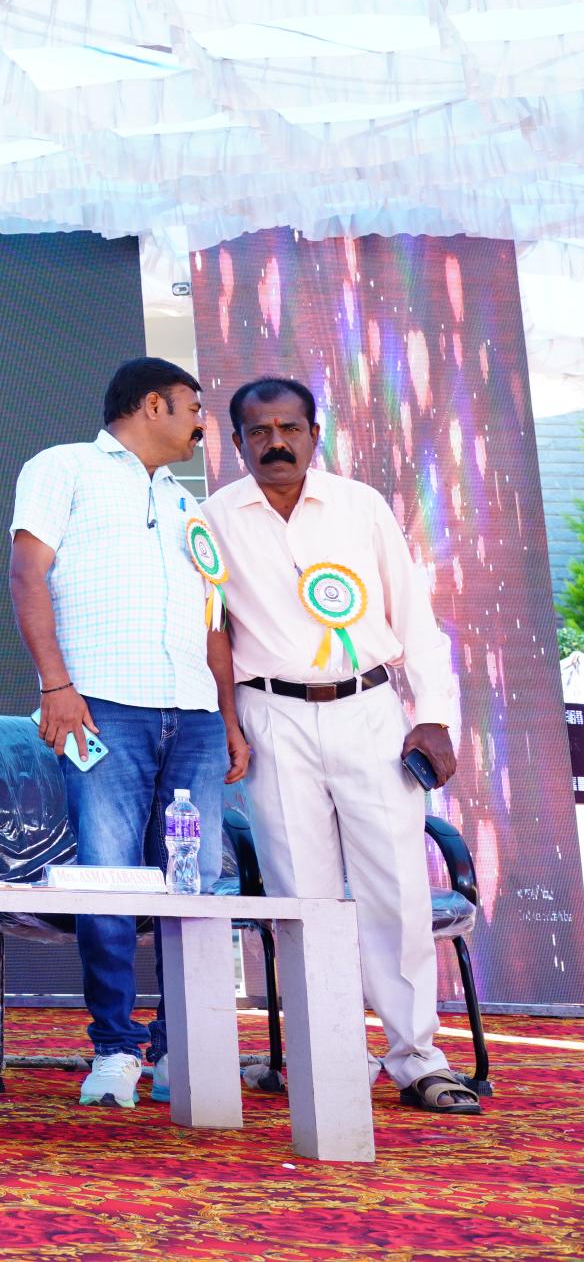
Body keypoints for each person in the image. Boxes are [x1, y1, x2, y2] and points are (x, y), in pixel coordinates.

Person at [211, 377, 480, 1115]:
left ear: (314, 433)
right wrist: (229, 722)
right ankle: (329, 1056)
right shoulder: (213, 520)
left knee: (395, 887)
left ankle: (417, 1059)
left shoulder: (360, 506)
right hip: (272, 717)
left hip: (369, 710)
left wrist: (435, 715)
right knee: (303, 896)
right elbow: (212, 633)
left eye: (290, 428)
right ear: (236, 442)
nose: (276, 443)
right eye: (259, 431)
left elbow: (415, 616)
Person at [9, 356, 236, 1110]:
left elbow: (213, 620)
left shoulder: (185, 501)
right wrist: (56, 685)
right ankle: (114, 1048)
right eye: (193, 407)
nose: (201, 423)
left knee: (195, 882)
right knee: (107, 878)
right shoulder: (63, 466)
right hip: (101, 704)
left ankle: (179, 1047)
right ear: (152, 405)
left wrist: (228, 716)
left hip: (195, 714)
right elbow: (26, 575)